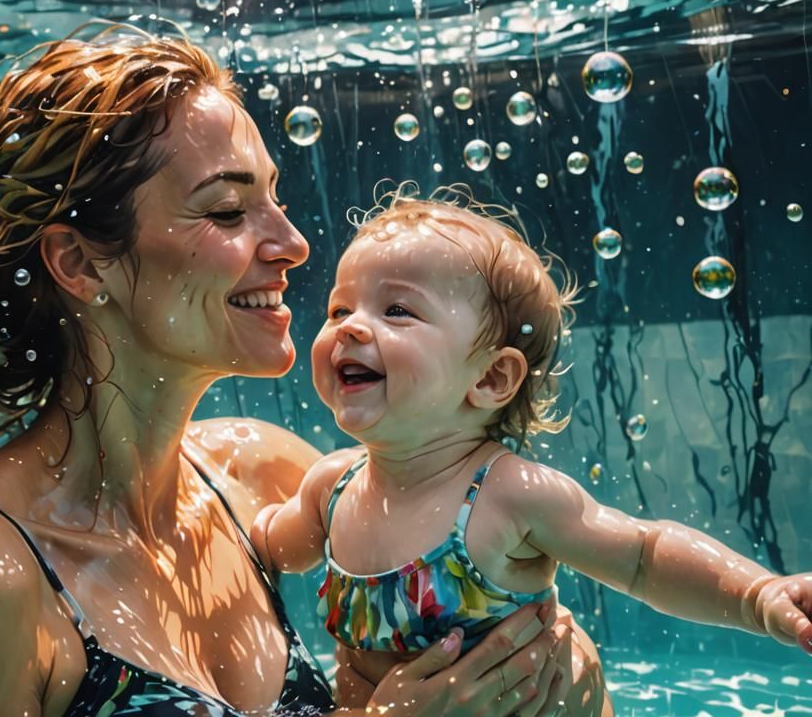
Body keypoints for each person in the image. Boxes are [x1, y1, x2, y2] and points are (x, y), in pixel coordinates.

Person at [0, 27, 581, 716]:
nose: (294, 243)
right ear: (79, 261)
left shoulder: (264, 479)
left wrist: (544, 674)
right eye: (229, 212)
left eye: (273, 198)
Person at [251, 183, 812, 717]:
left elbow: (643, 556)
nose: (350, 329)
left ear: (492, 378)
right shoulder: (330, 489)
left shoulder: (506, 495)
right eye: (339, 310)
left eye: (397, 311)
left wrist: (757, 596)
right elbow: (264, 550)